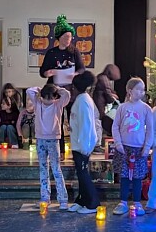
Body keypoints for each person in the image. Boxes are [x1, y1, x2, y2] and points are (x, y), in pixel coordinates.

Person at [40, 14, 84, 154]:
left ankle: (76, 147)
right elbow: (42, 71)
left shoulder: (74, 51)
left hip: (71, 89)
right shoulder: (51, 53)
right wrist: (48, 73)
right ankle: (59, 150)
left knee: (73, 118)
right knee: (57, 120)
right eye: (65, 37)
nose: (68, 40)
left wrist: (75, 74)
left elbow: (82, 68)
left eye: (70, 37)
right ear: (59, 38)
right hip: (55, 90)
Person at [112, 77, 153, 216]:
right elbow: (115, 126)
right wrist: (118, 143)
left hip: (139, 148)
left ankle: (137, 202)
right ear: (130, 91)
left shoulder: (146, 108)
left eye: (143, 90)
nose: (142, 92)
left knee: (137, 177)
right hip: (124, 147)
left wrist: (147, 147)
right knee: (124, 176)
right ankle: (123, 202)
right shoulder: (122, 108)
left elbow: (150, 129)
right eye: (139, 89)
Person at [26, 83, 71, 210]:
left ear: (55, 97)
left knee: (56, 169)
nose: (48, 100)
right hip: (40, 139)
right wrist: (40, 90)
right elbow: (30, 90)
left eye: (50, 98)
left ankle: (63, 199)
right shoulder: (38, 103)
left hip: (53, 140)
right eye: (46, 97)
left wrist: (57, 89)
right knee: (43, 169)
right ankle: (45, 197)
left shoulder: (58, 104)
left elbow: (66, 94)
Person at [68, 71, 102, 215]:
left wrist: (85, 146)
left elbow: (87, 126)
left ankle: (93, 203)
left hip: (82, 145)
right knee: (80, 174)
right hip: (78, 144)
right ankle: (81, 199)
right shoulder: (82, 99)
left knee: (83, 174)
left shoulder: (83, 101)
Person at [93, 64, 121, 138]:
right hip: (99, 104)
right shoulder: (103, 79)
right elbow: (107, 93)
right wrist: (113, 98)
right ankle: (97, 144)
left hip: (97, 103)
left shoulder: (101, 77)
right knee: (98, 124)